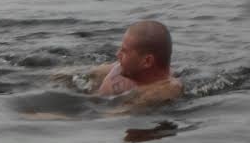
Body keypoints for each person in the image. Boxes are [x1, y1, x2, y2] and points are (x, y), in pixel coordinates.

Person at [53, 20, 183, 109]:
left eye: (124, 52)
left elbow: (108, 116)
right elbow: (73, 76)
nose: (117, 54)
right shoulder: (124, 70)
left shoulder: (162, 92)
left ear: (147, 61)